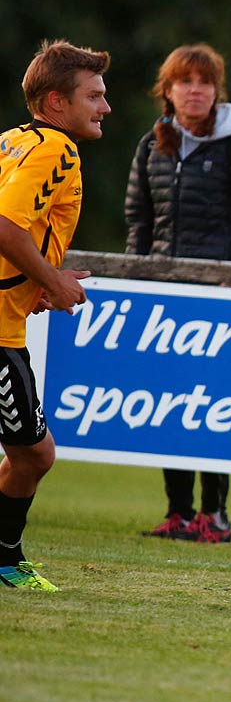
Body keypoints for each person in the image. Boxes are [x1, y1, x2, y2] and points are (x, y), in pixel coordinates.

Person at [127, 43, 231, 544]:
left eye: (204, 81)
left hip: (221, 299)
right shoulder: (152, 144)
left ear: (217, 90)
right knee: (170, 404)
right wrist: (136, 278)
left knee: (211, 407)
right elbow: (138, 219)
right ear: (168, 91)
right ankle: (178, 512)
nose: (195, 90)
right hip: (165, 298)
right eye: (184, 81)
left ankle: (214, 516)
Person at [0, 40, 112, 591]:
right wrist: (54, 282)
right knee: (33, 454)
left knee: (30, 453)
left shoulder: (11, 142)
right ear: (56, 101)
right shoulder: (54, 151)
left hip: (8, 316)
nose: (105, 107)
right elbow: (4, 226)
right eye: (93, 95)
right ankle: (4, 558)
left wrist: (33, 282)